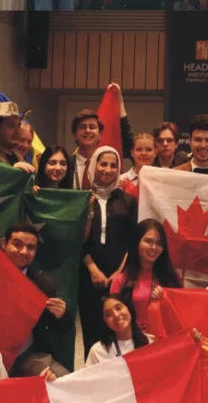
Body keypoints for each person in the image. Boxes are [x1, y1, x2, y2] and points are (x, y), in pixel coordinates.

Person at [79, 146, 137, 355]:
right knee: (92, 331)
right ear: (93, 166)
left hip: (120, 277)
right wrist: (93, 269)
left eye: (113, 166)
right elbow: (77, 239)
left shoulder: (128, 200)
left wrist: (119, 273)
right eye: (103, 164)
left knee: (121, 329)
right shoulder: (81, 199)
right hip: (88, 275)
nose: (108, 170)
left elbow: (132, 240)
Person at [0, 223, 70, 377]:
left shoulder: (44, 285)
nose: (24, 251)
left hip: (28, 355)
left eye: (30, 247)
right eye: (17, 244)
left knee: (66, 383)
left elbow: (58, 328)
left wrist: (62, 315)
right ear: (4, 243)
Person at [109, 219, 180, 337]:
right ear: (137, 242)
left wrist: (165, 299)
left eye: (159, 243)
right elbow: (112, 317)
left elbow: (179, 314)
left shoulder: (171, 278)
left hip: (164, 342)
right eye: (148, 241)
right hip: (133, 342)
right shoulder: (120, 280)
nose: (154, 247)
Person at [85, 294, 153, 366]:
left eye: (118, 308)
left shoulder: (150, 341)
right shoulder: (98, 351)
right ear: (104, 321)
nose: (116, 315)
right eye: (108, 314)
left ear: (128, 308)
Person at [0, 101, 33, 169]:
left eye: (19, 125)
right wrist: (13, 171)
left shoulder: (18, 157)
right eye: (11, 126)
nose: (18, 131)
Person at [117, 133, 156, 198]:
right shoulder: (120, 181)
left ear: (155, 153)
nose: (143, 153)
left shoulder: (161, 181)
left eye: (148, 149)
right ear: (132, 152)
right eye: (139, 149)